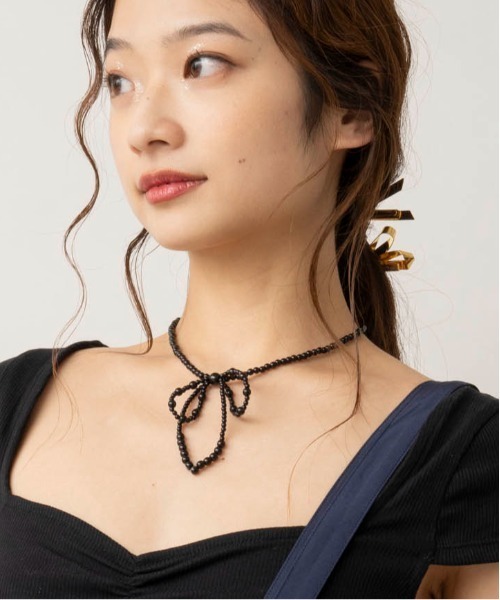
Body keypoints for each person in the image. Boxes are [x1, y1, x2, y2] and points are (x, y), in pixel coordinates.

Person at [0, 0, 497, 598]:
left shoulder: (463, 460)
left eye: (202, 64)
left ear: (352, 106)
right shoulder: (16, 404)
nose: (144, 130)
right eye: (120, 81)